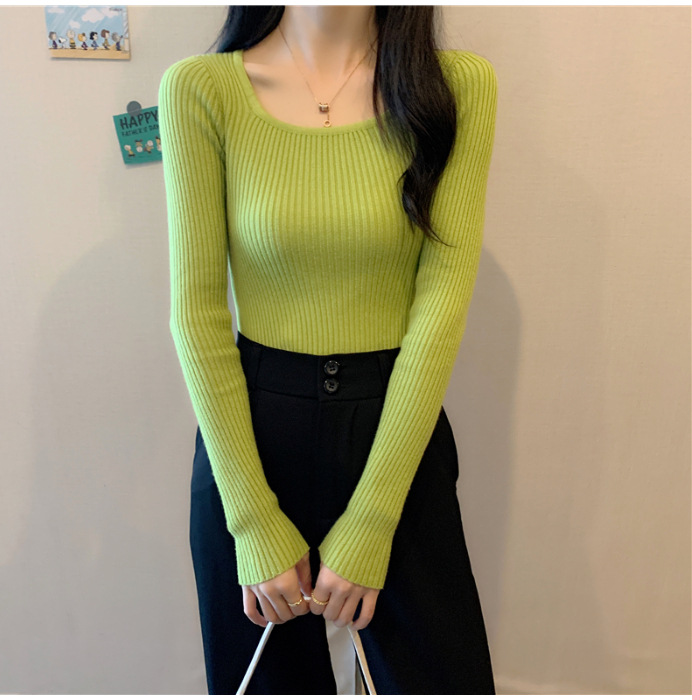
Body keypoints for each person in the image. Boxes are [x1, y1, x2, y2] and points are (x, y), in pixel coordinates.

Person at [159, 5, 498, 695]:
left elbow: (441, 305)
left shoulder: (456, 87)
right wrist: (252, 521)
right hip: (251, 434)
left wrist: (373, 520)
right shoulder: (201, 89)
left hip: (395, 432)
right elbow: (197, 314)